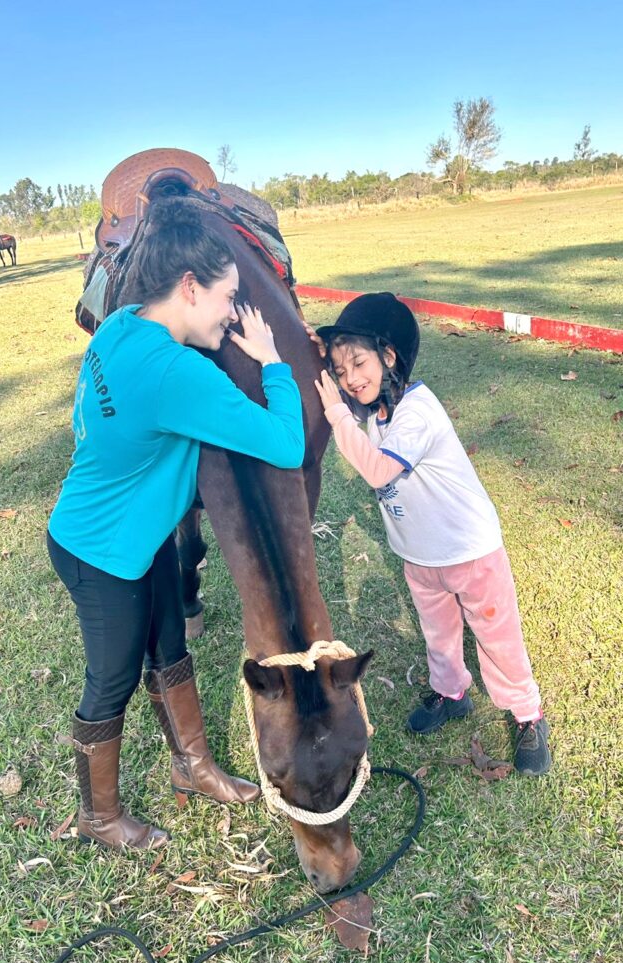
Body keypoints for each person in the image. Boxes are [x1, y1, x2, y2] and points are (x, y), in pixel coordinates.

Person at [47, 198, 306, 850]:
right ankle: (99, 816)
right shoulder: (178, 374)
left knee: (170, 646)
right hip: (99, 551)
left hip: (139, 534)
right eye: (226, 297)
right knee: (111, 680)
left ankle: (193, 767)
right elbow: (285, 445)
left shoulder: (123, 325)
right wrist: (273, 362)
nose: (230, 312)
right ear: (189, 287)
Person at [310, 293, 551, 775]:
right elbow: (356, 423)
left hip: (468, 551)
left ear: (390, 357)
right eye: (340, 371)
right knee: (439, 635)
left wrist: (335, 411)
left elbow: (378, 470)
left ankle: (527, 714)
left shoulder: (416, 410)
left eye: (358, 362)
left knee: (496, 636)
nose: (350, 379)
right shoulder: (374, 413)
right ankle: (452, 692)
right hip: (419, 557)